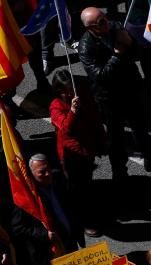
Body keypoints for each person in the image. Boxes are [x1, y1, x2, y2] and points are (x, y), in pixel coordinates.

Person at [78, 6, 151, 180]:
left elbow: (135, 53)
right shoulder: (86, 47)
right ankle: (119, 171)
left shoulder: (115, 27)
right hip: (109, 98)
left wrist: (130, 42)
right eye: (101, 22)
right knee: (115, 137)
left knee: (140, 126)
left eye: (104, 17)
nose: (106, 23)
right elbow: (100, 76)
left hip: (130, 88)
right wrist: (117, 55)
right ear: (91, 28)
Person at [10, 154, 81, 265]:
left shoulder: (58, 181)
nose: (47, 174)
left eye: (48, 169)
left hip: (67, 241)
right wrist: (44, 234)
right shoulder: (27, 199)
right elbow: (18, 228)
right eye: (41, 172)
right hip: (45, 250)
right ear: (31, 173)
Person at [49, 70, 106, 237]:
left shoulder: (82, 98)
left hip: (87, 150)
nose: (69, 93)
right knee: (77, 190)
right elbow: (66, 129)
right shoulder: (56, 106)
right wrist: (73, 111)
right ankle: (83, 220)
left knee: (86, 184)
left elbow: (94, 118)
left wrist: (101, 140)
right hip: (71, 155)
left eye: (70, 88)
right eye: (64, 90)